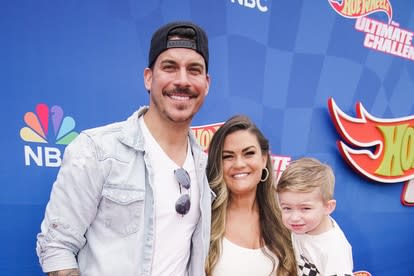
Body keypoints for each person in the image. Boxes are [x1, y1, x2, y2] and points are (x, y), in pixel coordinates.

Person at [36, 21, 213, 276]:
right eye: (170, 67)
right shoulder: (97, 149)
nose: (182, 80)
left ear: (206, 83)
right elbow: (56, 247)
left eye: (194, 70)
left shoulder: (204, 166)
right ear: (148, 78)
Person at [205, 115, 298, 276]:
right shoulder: (203, 222)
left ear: (263, 159)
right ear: (218, 164)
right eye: (228, 156)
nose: (239, 164)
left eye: (248, 153)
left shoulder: (287, 220)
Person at [276, 157, 353, 276]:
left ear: (328, 207)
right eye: (287, 208)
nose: (294, 217)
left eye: (305, 208)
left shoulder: (334, 250)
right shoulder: (305, 225)